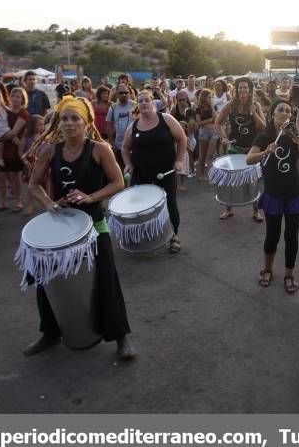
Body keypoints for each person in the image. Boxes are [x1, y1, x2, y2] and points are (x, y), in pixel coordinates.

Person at [23, 96, 134, 359]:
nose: (70, 123)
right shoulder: (50, 151)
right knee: (46, 279)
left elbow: (119, 182)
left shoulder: (99, 149)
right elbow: (32, 185)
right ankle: (50, 333)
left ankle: (121, 337)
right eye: (65, 118)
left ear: (86, 122)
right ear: (58, 123)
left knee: (106, 278)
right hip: (61, 227)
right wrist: (49, 204)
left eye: (75, 118)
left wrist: (91, 197)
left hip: (94, 225)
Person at [246, 100, 299, 293]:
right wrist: (266, 151)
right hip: (273, 193)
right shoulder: (264, 136)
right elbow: (249, 159)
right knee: (272, 235)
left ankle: (289, 274)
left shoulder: (293, 134)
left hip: (293, 192)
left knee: (291, 237)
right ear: (272, 114)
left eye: (288, 111)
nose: (284, 113)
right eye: (280, 110)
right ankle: (267, 270)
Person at [121, 90, 187, 254]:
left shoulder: (166, 119)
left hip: (165, 173)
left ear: (153, 103)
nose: (143, 103)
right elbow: (124, 148)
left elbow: (182, 139)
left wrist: (179, 160)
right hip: (140, 174)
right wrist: (128, 164)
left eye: (146, 100)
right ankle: (148, 233)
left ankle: (174, 236)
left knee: (169, 203)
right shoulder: (133, 125)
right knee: (141, 206)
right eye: (140, 100)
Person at [214, 77, 266, 221]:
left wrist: (253, 113)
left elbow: (263, 127)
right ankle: (228, 209)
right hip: (235, 148)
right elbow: (217, 123)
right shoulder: (230, 105)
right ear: (236, 90)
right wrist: (223, 137)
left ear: (250, 90)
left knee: (253, 179)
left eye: (245, 88)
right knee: (231, 178)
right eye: (240, 88)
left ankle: (256, 211)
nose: (243, 90)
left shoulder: (256, 105)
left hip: (252, 149)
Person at [106, 84, 136, 169]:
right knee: (122, 169)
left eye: (126, 92)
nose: (124, 94)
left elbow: (140, 122)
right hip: (119, 145)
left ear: (129, 93)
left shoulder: (134, 105)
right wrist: (112, 143)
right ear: (117, 94)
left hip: (134, 144)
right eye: (121, 92)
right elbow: (109, 126)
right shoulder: (113, 107)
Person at [195, 89, 218, 181]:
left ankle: (211, 176)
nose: (211, 98)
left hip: (213, 132)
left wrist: (212, 107)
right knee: (202, 155)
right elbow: (199, 123)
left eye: (211, 97)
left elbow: (216, 120)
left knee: (211, 155)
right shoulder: (198, 108)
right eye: (209, 97)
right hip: (203, 132)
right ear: (204, 98)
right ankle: (201, 174)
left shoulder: (213, 107)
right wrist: (209, 120)